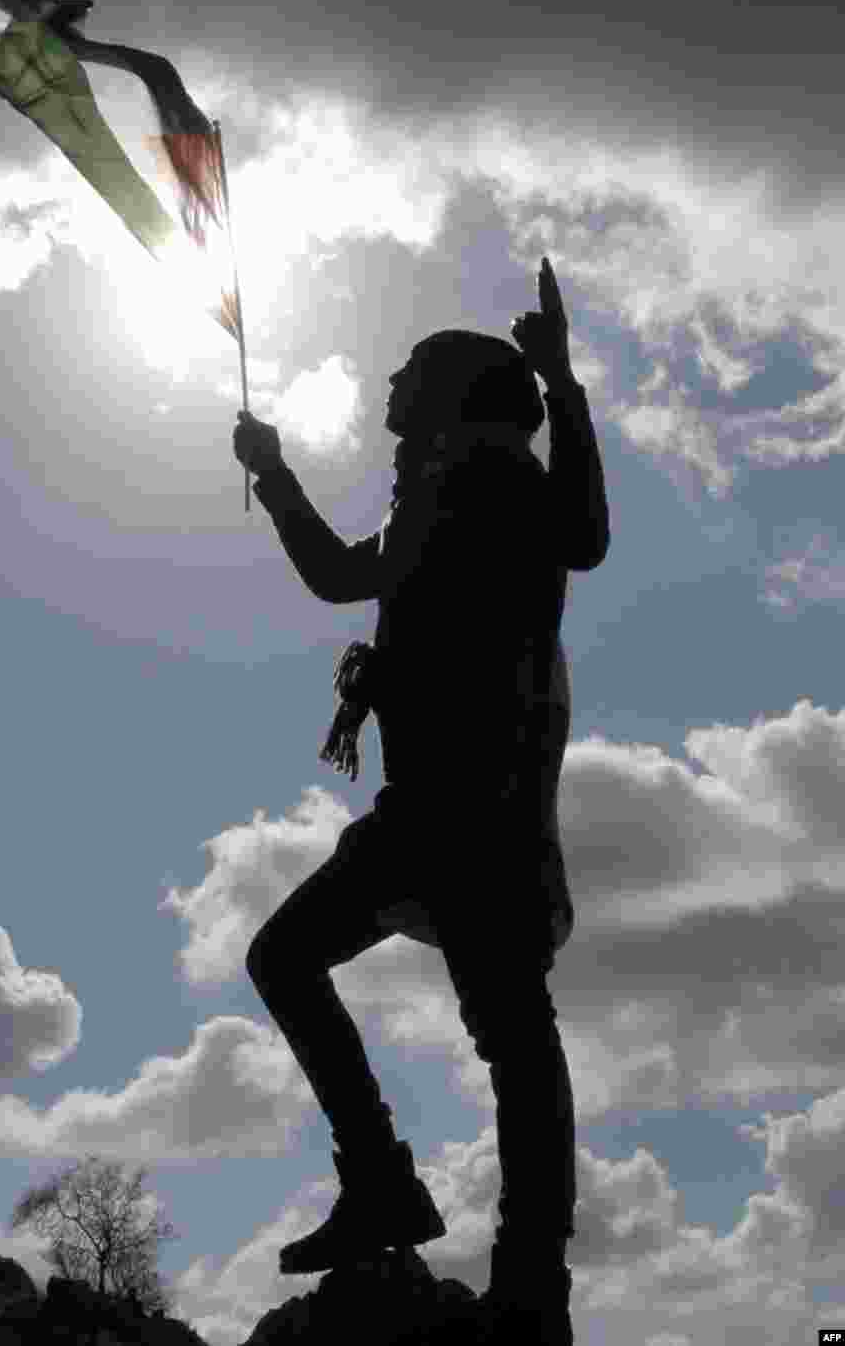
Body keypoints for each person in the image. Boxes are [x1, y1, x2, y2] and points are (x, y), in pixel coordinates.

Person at [233, 257, 609, 1342]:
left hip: (475, 799)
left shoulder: (489, 472)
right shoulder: (438, 480)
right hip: (439, 798)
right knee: (491, 1024)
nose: (389, 382)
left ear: (451, 395)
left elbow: (580, 536)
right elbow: (345, 578)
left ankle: (511, 1265)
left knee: (507, 1030)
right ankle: (441, 1219)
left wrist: (563, 384)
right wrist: (275, 474)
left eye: (408, 370)